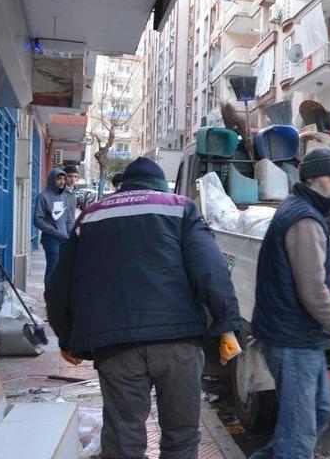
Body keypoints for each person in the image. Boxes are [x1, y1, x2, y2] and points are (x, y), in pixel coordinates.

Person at [45, 157, 243, 458]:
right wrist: (226, 325)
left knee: (123, 435)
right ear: (160, 185)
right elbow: (211, 271)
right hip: (178, 343)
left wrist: (65, 336)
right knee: (181, 436)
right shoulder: (180, 208)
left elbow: (60, 285)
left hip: (114, 345)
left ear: (125, 184)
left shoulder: (90, 216)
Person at [250, 148, 330, 459]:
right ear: (313, 179)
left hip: (301, 337)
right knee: (299, 435)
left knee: (319, 409)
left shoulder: (301, 209)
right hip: (292, 340)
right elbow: (314, 293)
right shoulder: (304, 220)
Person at [34, 168, 74, 285]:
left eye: (63, 179)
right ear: (52, 180)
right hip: (51, 240)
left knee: (61, 271)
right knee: (52, 270)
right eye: (59, 179)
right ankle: (50, 301)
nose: (62, 182)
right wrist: (56, 232)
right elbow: (38, 220)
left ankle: (57, 299)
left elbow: (68, 220)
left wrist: (71, 233)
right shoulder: (43, 197)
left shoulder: (64, 197)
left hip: (64, 240)